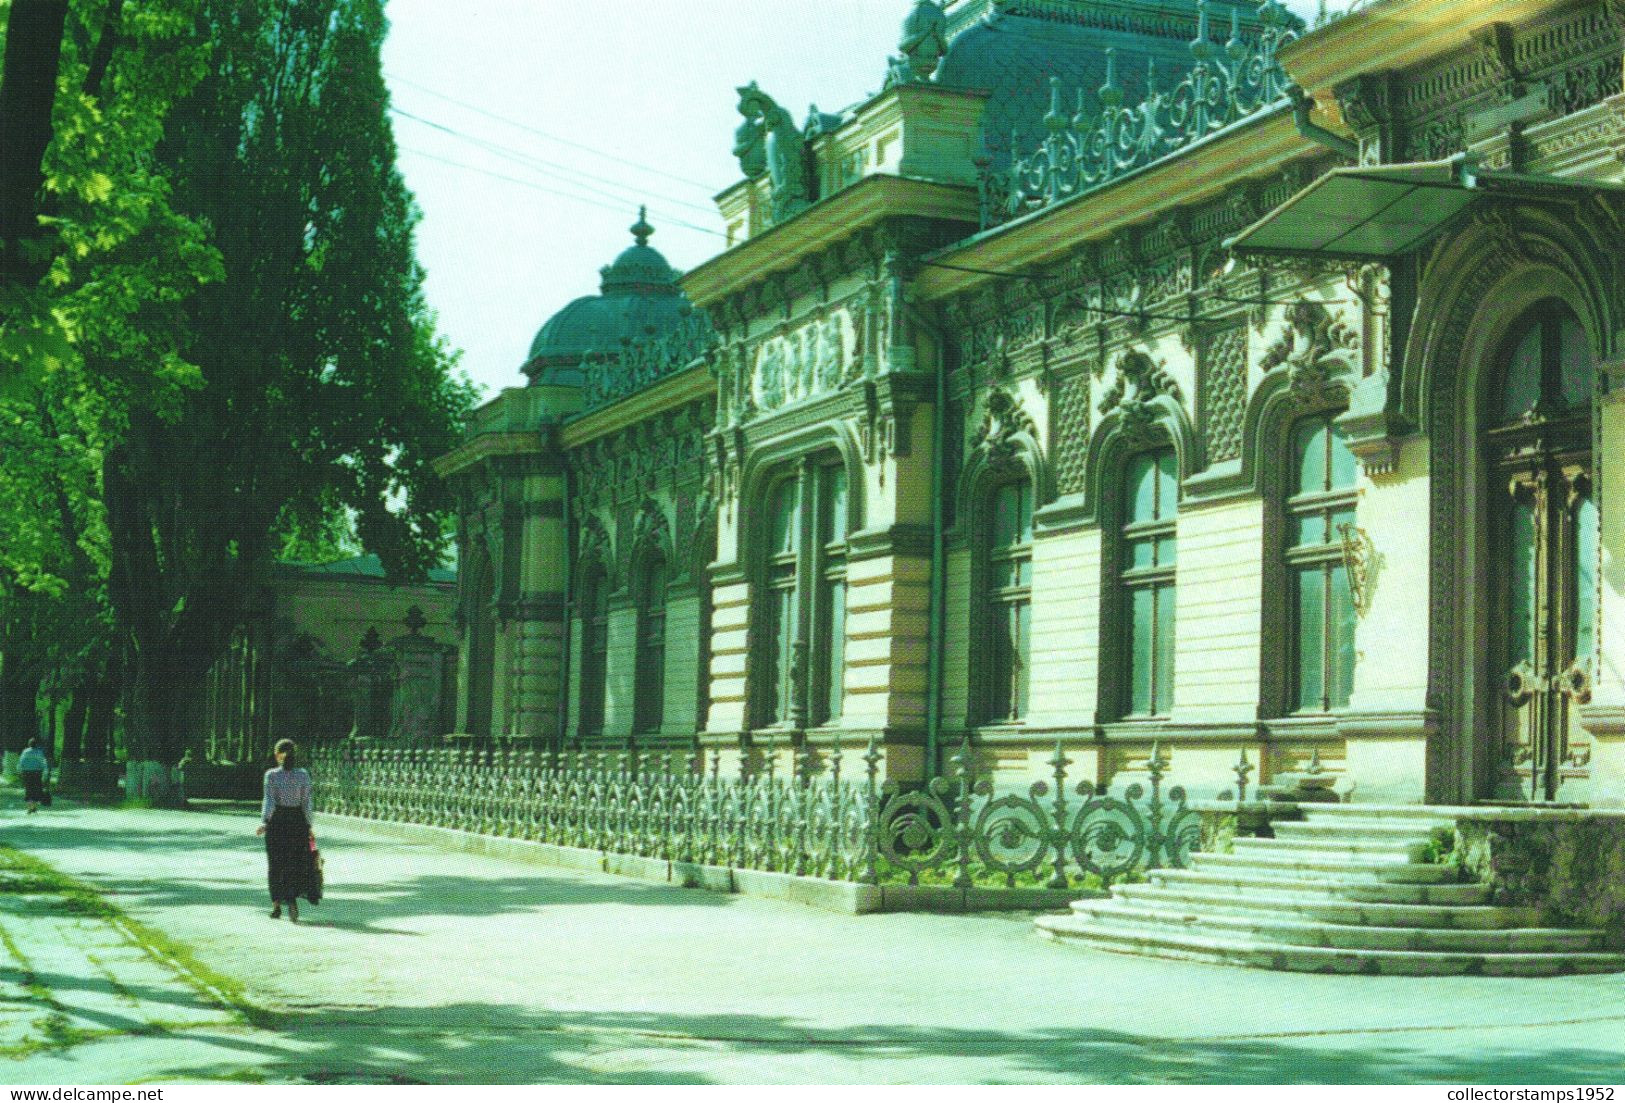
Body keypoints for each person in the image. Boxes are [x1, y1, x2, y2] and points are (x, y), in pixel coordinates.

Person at [255, 738, 316, 921]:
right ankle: (291, 900)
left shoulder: (271, 775)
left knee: (275, 864)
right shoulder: (303, 775)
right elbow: (306, 802)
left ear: (277, 755)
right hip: (297, 822)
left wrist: (265, 822)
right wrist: (309, 825)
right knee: (294, 863)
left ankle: (276, 905)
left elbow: (270, 801)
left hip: (278, 822)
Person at [17, 739, 50, 814]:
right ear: (36, 745)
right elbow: (43, 763)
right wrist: (45, 774)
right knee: (36, 790)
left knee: (28, 790)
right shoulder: (39, 752)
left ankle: (30, 808)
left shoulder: (25, 752)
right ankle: (34, 807)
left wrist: (19, 771)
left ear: (29, 744)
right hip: (37, 773)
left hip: (27, 773)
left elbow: (21, 762)